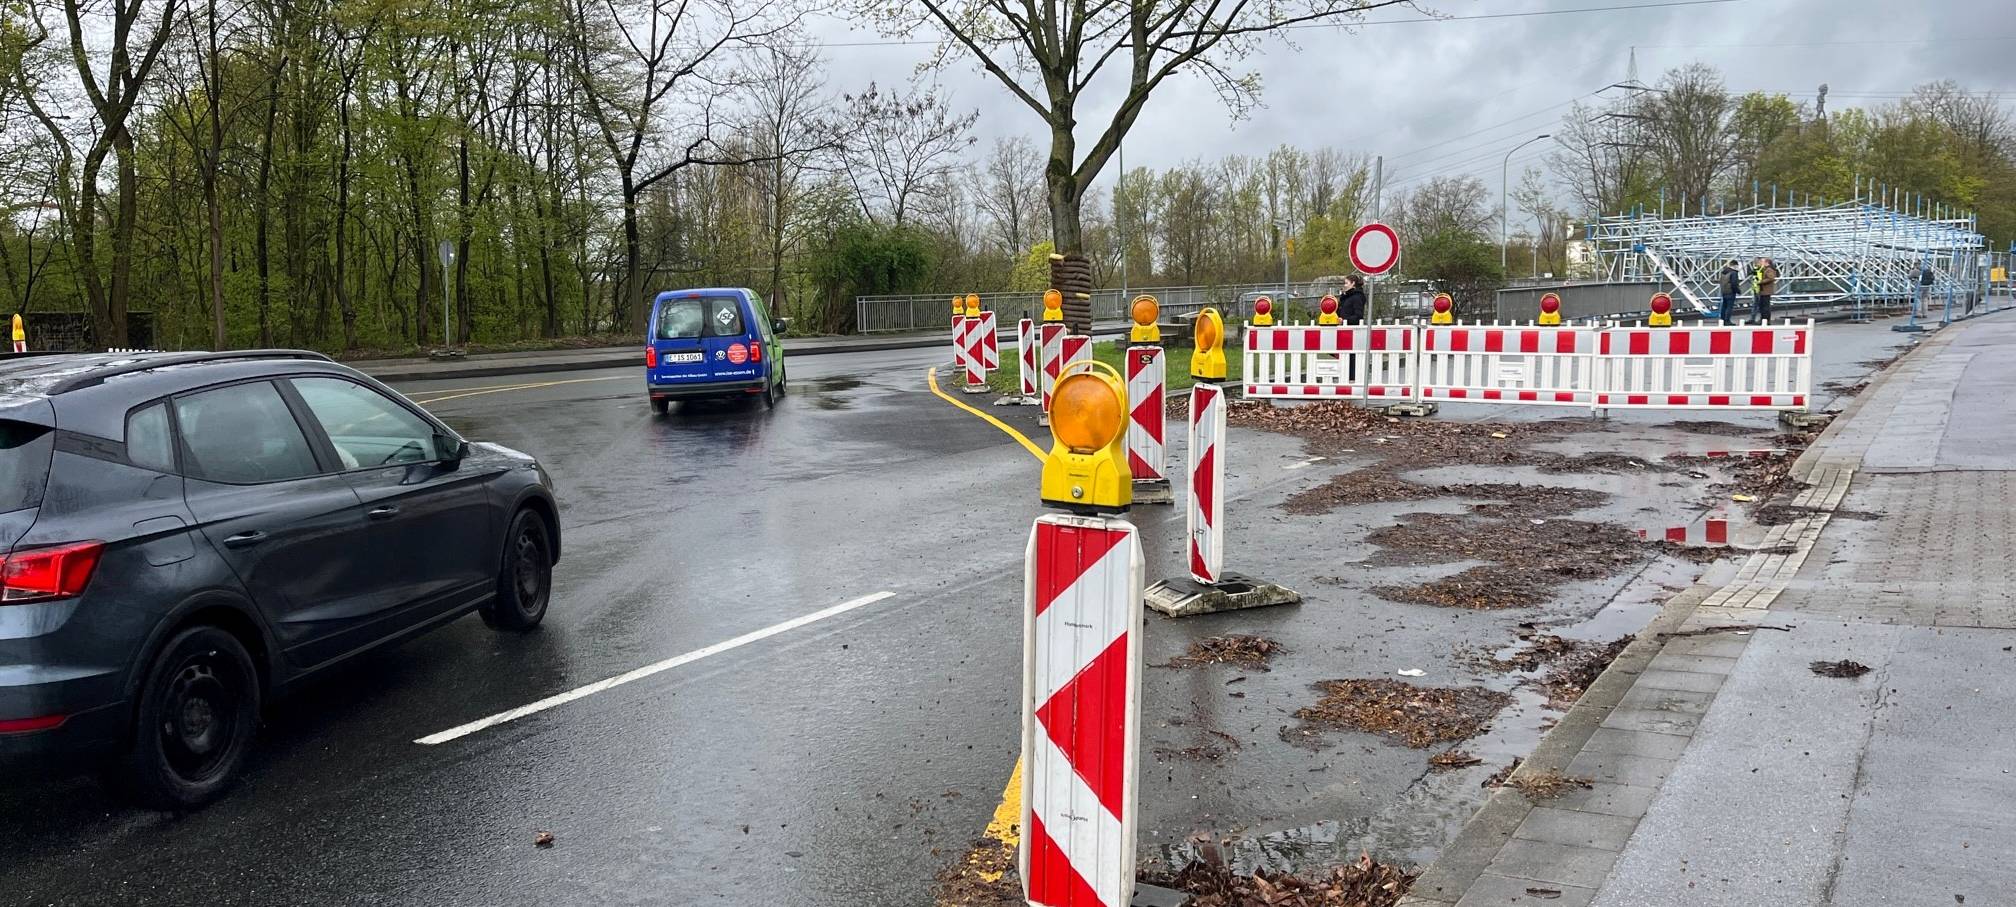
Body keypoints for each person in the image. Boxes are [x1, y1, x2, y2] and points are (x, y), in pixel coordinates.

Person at [1752, 256, 1778, 322]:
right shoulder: (1764, 269)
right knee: (1762, 305)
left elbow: (1771, 278)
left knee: (1765, 306)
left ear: (1767, 262)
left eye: (1762, 261)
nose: (1761, 263)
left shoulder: (1769, 269)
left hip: (1766, 290)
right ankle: (1763, 319)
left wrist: (1760, 282)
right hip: (1763, 290)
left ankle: (1765, 320)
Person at [1718, 259, 1741, 325]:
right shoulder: (1734, 273)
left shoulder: (1724, 272)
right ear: (1735, 265)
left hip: (1724, 291)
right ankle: (1727, 320)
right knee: (1729, 307)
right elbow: (1734, 283)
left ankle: (1722, 320)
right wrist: (1738, 291)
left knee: (1724, 306)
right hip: (1731, 291)